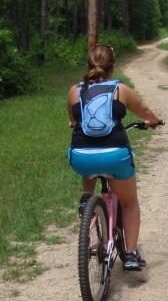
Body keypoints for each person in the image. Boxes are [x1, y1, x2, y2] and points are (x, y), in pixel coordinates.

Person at [67, 44, 161, 271]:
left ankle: (86, 197)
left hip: (80, 157)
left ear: (89, 65)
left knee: (89, 158)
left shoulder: (74, 91)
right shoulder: (120, 90)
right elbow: (145, 112)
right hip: (114, 155)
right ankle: (129, 254)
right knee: (129, 203)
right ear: (113, 67)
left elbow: (73, 121)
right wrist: (153, 121)